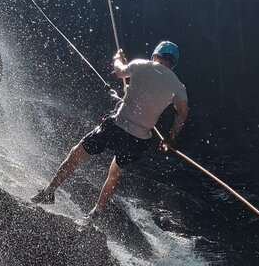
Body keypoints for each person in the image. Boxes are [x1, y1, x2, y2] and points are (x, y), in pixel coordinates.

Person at [31, 41, 190, 218]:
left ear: (155, 56)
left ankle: (49, 192)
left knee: (76, 155)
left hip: (117, 127)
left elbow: (119, 71)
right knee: (115, 173)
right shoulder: (178, 86)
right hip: (138, 140)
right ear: (173, 64)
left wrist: (117, 58)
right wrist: (170, 137)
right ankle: (95, 213)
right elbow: (182, 113)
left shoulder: (140, 65)